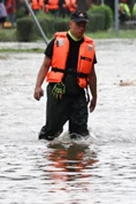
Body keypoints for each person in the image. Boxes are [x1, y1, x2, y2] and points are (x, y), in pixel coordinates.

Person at [33, 10, 98, 141]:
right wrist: (38, 87)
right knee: (51, 132)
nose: (81, 27)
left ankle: (75, 159)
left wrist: (94, 96)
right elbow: (45, 65)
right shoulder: (56, 43)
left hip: (78, 93)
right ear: (71, 24)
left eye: (84, 24)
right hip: (58, 92)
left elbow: (91, 75)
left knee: (80, 137)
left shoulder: (89, 47)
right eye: (79, 24)